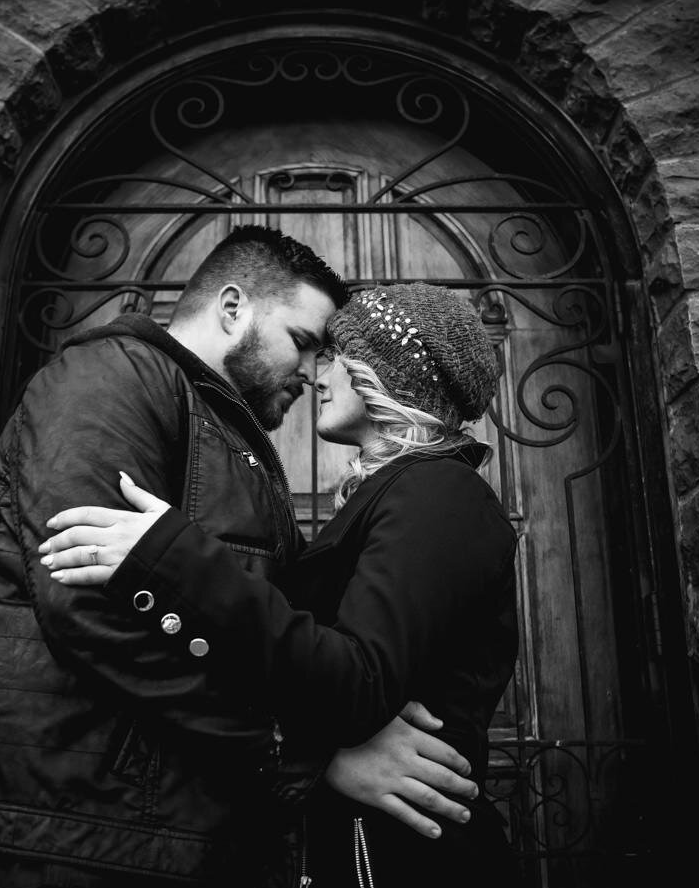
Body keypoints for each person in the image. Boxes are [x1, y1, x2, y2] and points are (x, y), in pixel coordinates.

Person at [0, 230, 478, 887]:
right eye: (302, 341)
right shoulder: (111, 379)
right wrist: (295, 750)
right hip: (63, 836)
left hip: (148, 838)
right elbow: (86, 601)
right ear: (233, 308)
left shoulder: (227, 429)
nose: (313, 371)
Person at [42, 283, 522, 887]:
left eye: (338, 358)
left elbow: (357, 684)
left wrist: (175, 557)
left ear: (385, 377)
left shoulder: (440, 493)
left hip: (404, 853)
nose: (317, 376)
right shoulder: (401, 493)